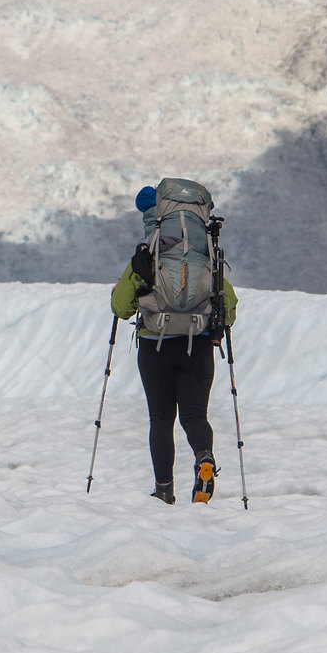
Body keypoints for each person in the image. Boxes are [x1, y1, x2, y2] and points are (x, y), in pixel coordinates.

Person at [111, 182, 238, 504]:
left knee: (161, 419)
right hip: (197, 347)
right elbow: (230, 306)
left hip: (155, 347)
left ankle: (164, 491)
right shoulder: (204, 255)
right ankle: (204, 457)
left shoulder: (149, 256)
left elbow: (121, 306)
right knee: (195, 416)